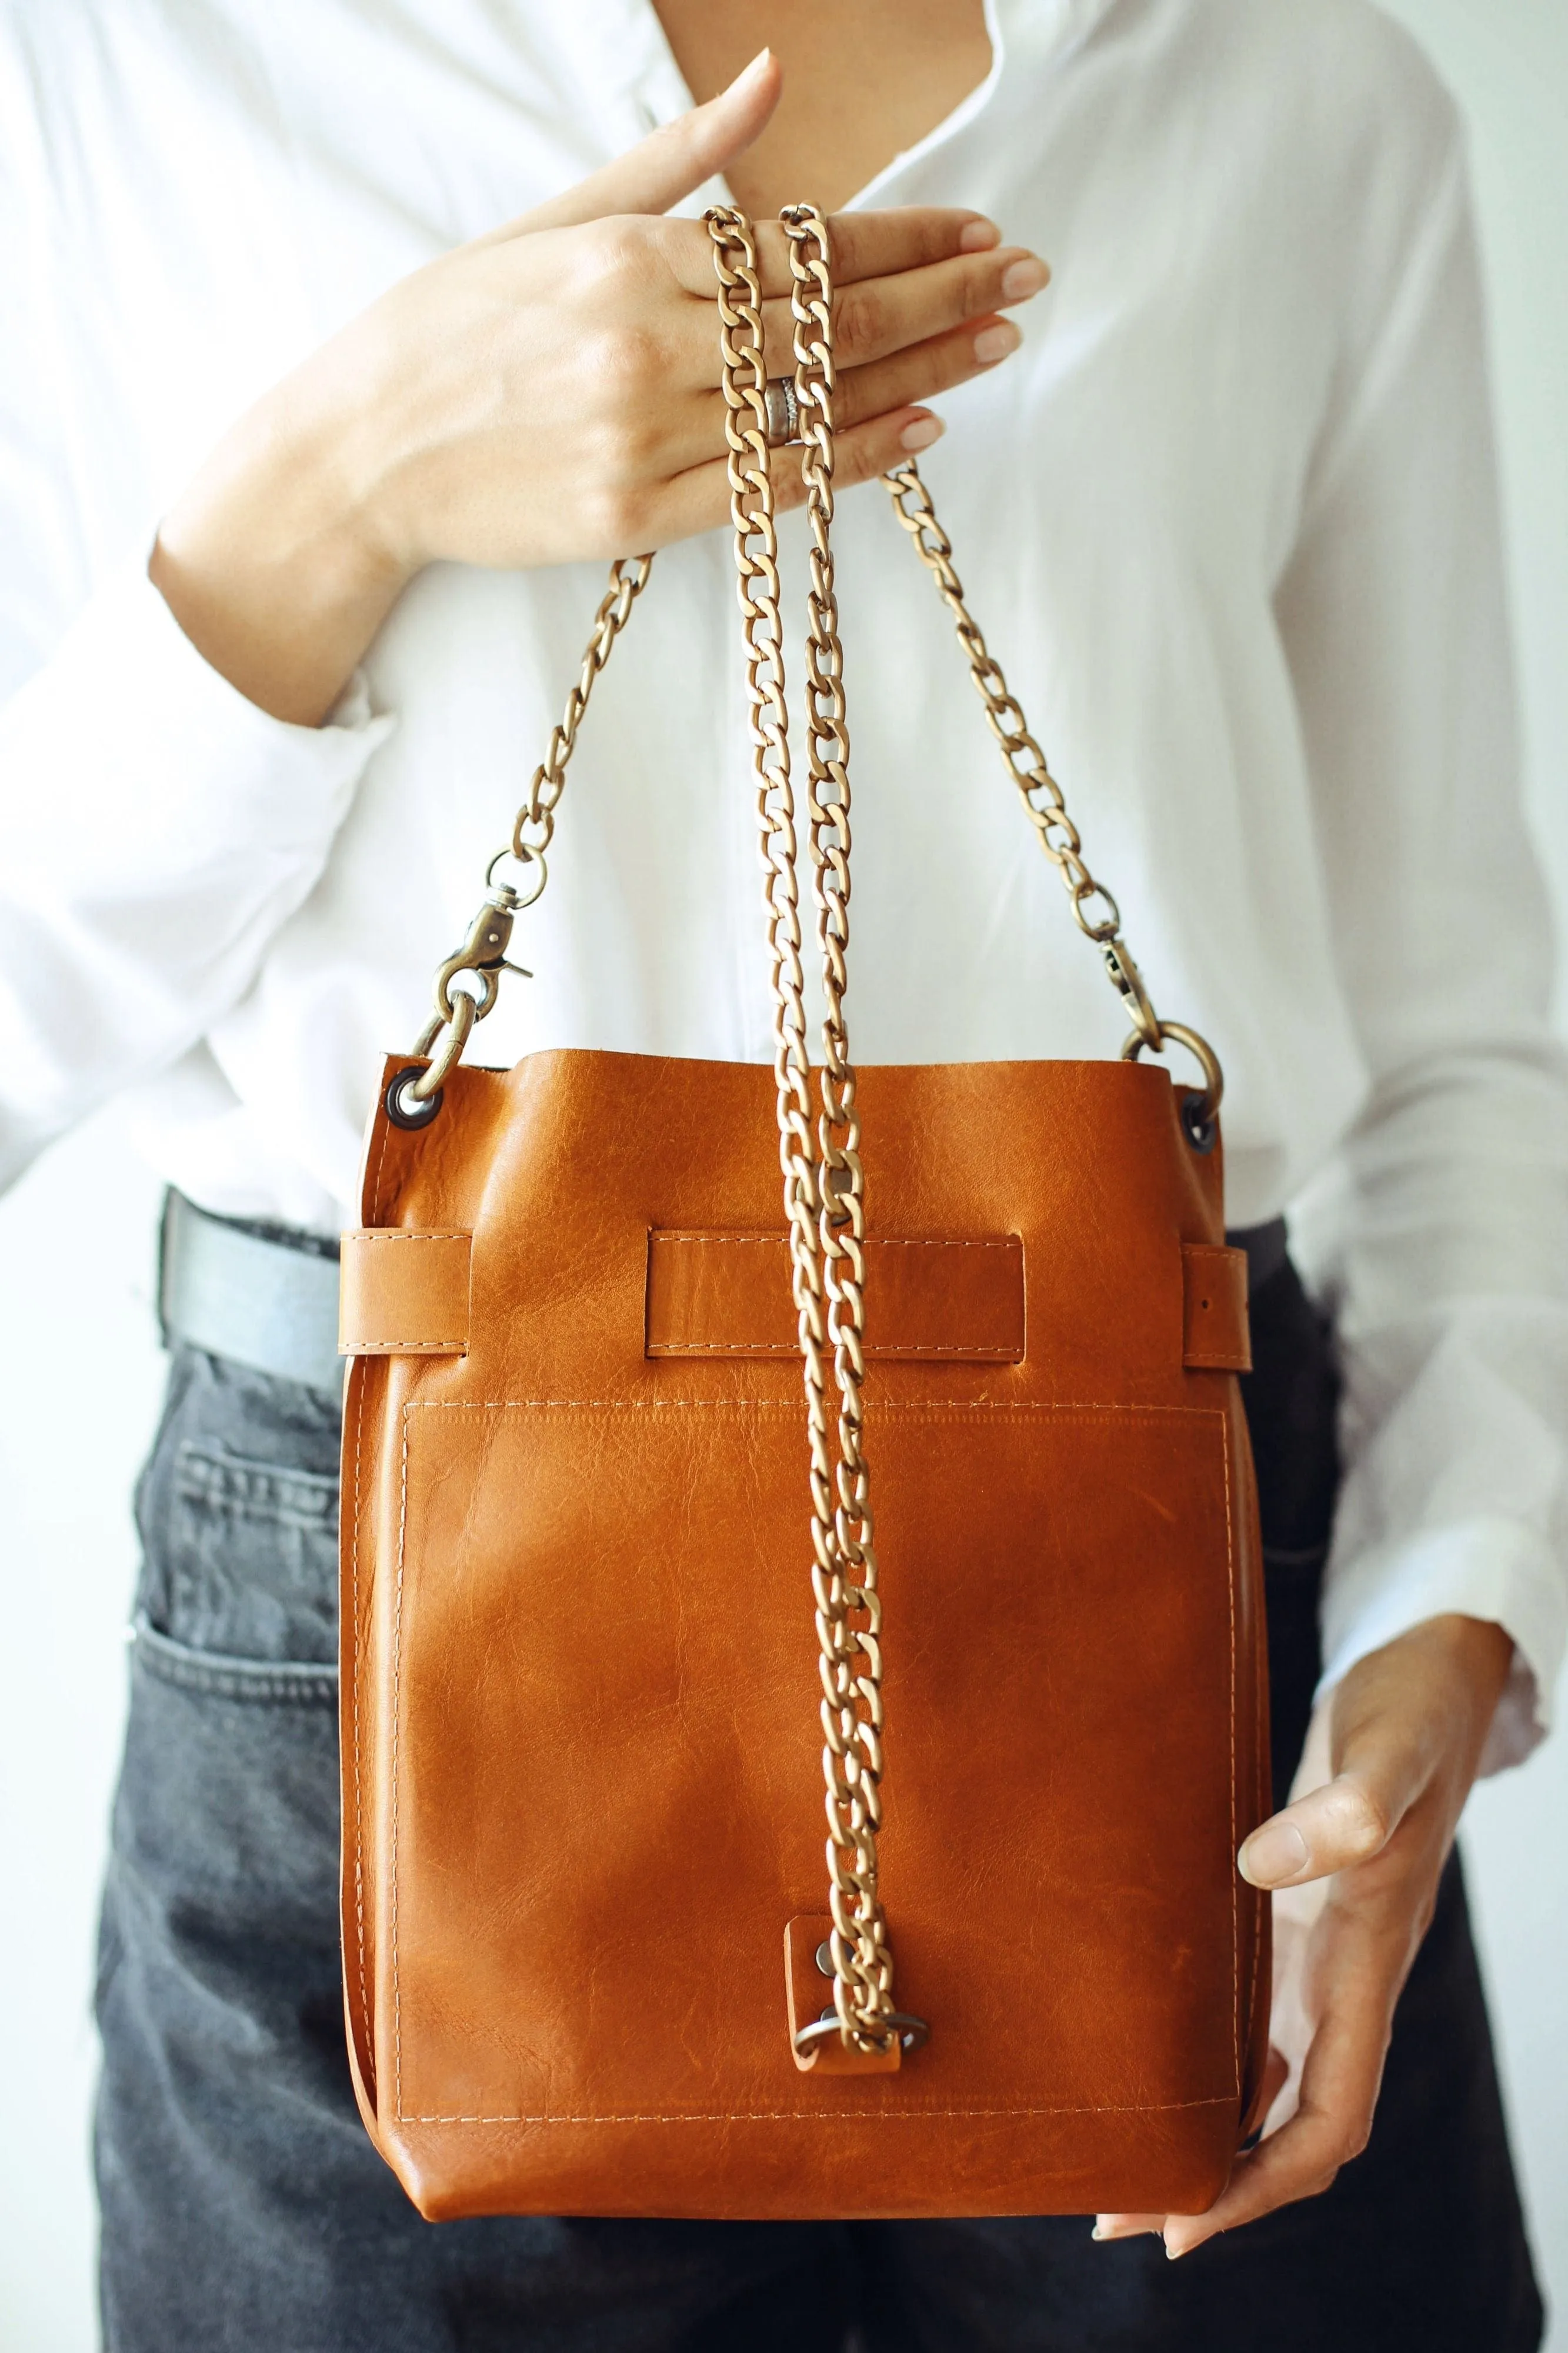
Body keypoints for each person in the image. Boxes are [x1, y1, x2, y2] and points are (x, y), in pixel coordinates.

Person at [1, 1, 1562, 2346]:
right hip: (389, 1595)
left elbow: (1456, 1028)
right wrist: (342, 486)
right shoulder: (122, 64)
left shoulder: (1297, 82)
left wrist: (1457, 1591)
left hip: (1164, 1614)